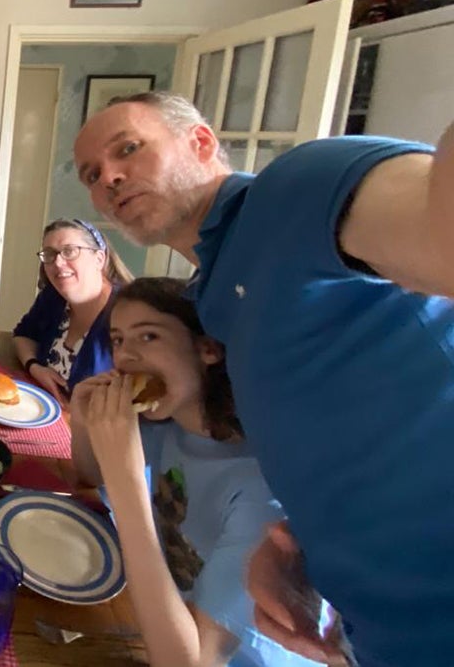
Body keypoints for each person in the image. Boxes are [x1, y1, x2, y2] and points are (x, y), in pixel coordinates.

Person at [73, 91, 453, 667]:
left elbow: (438, 230)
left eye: (129, 148)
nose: (111, 179)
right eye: (93, 175)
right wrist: (303, 547)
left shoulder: (299, 187)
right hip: (375, 634)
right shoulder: (217, 301)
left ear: (200, 142)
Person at [72, 277, 320, 667]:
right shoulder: (169, 424)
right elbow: (89, 476)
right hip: (159, 615)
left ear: (207, 349)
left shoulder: (262, 490)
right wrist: (83, 420)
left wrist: (127, 480)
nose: (126, 357)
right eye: (118, 340)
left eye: (148, 337)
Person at [12, 218, 131, 404]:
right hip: (45, 410)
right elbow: (23, 335)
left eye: (69, 251)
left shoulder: (129, 312)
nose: (58, 262)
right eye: (49, 254)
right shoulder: (53, 297)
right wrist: (35, 367)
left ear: (99, 259)